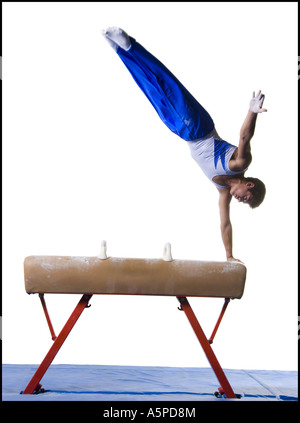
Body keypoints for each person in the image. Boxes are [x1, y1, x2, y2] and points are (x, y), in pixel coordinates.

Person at [102, 27, 267, 263]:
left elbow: (225, 224)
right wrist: (252, 112)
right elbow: (244, 138)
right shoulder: (240, 163)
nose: (241, 200)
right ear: (249, 184)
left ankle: (120, 50)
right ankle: (130, 45)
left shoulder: (223, 192)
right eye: (247, 197)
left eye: (244, 202)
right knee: (165, 84)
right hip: (198, 125)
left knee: (152, 92)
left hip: (184, 132)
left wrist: (229, 256)